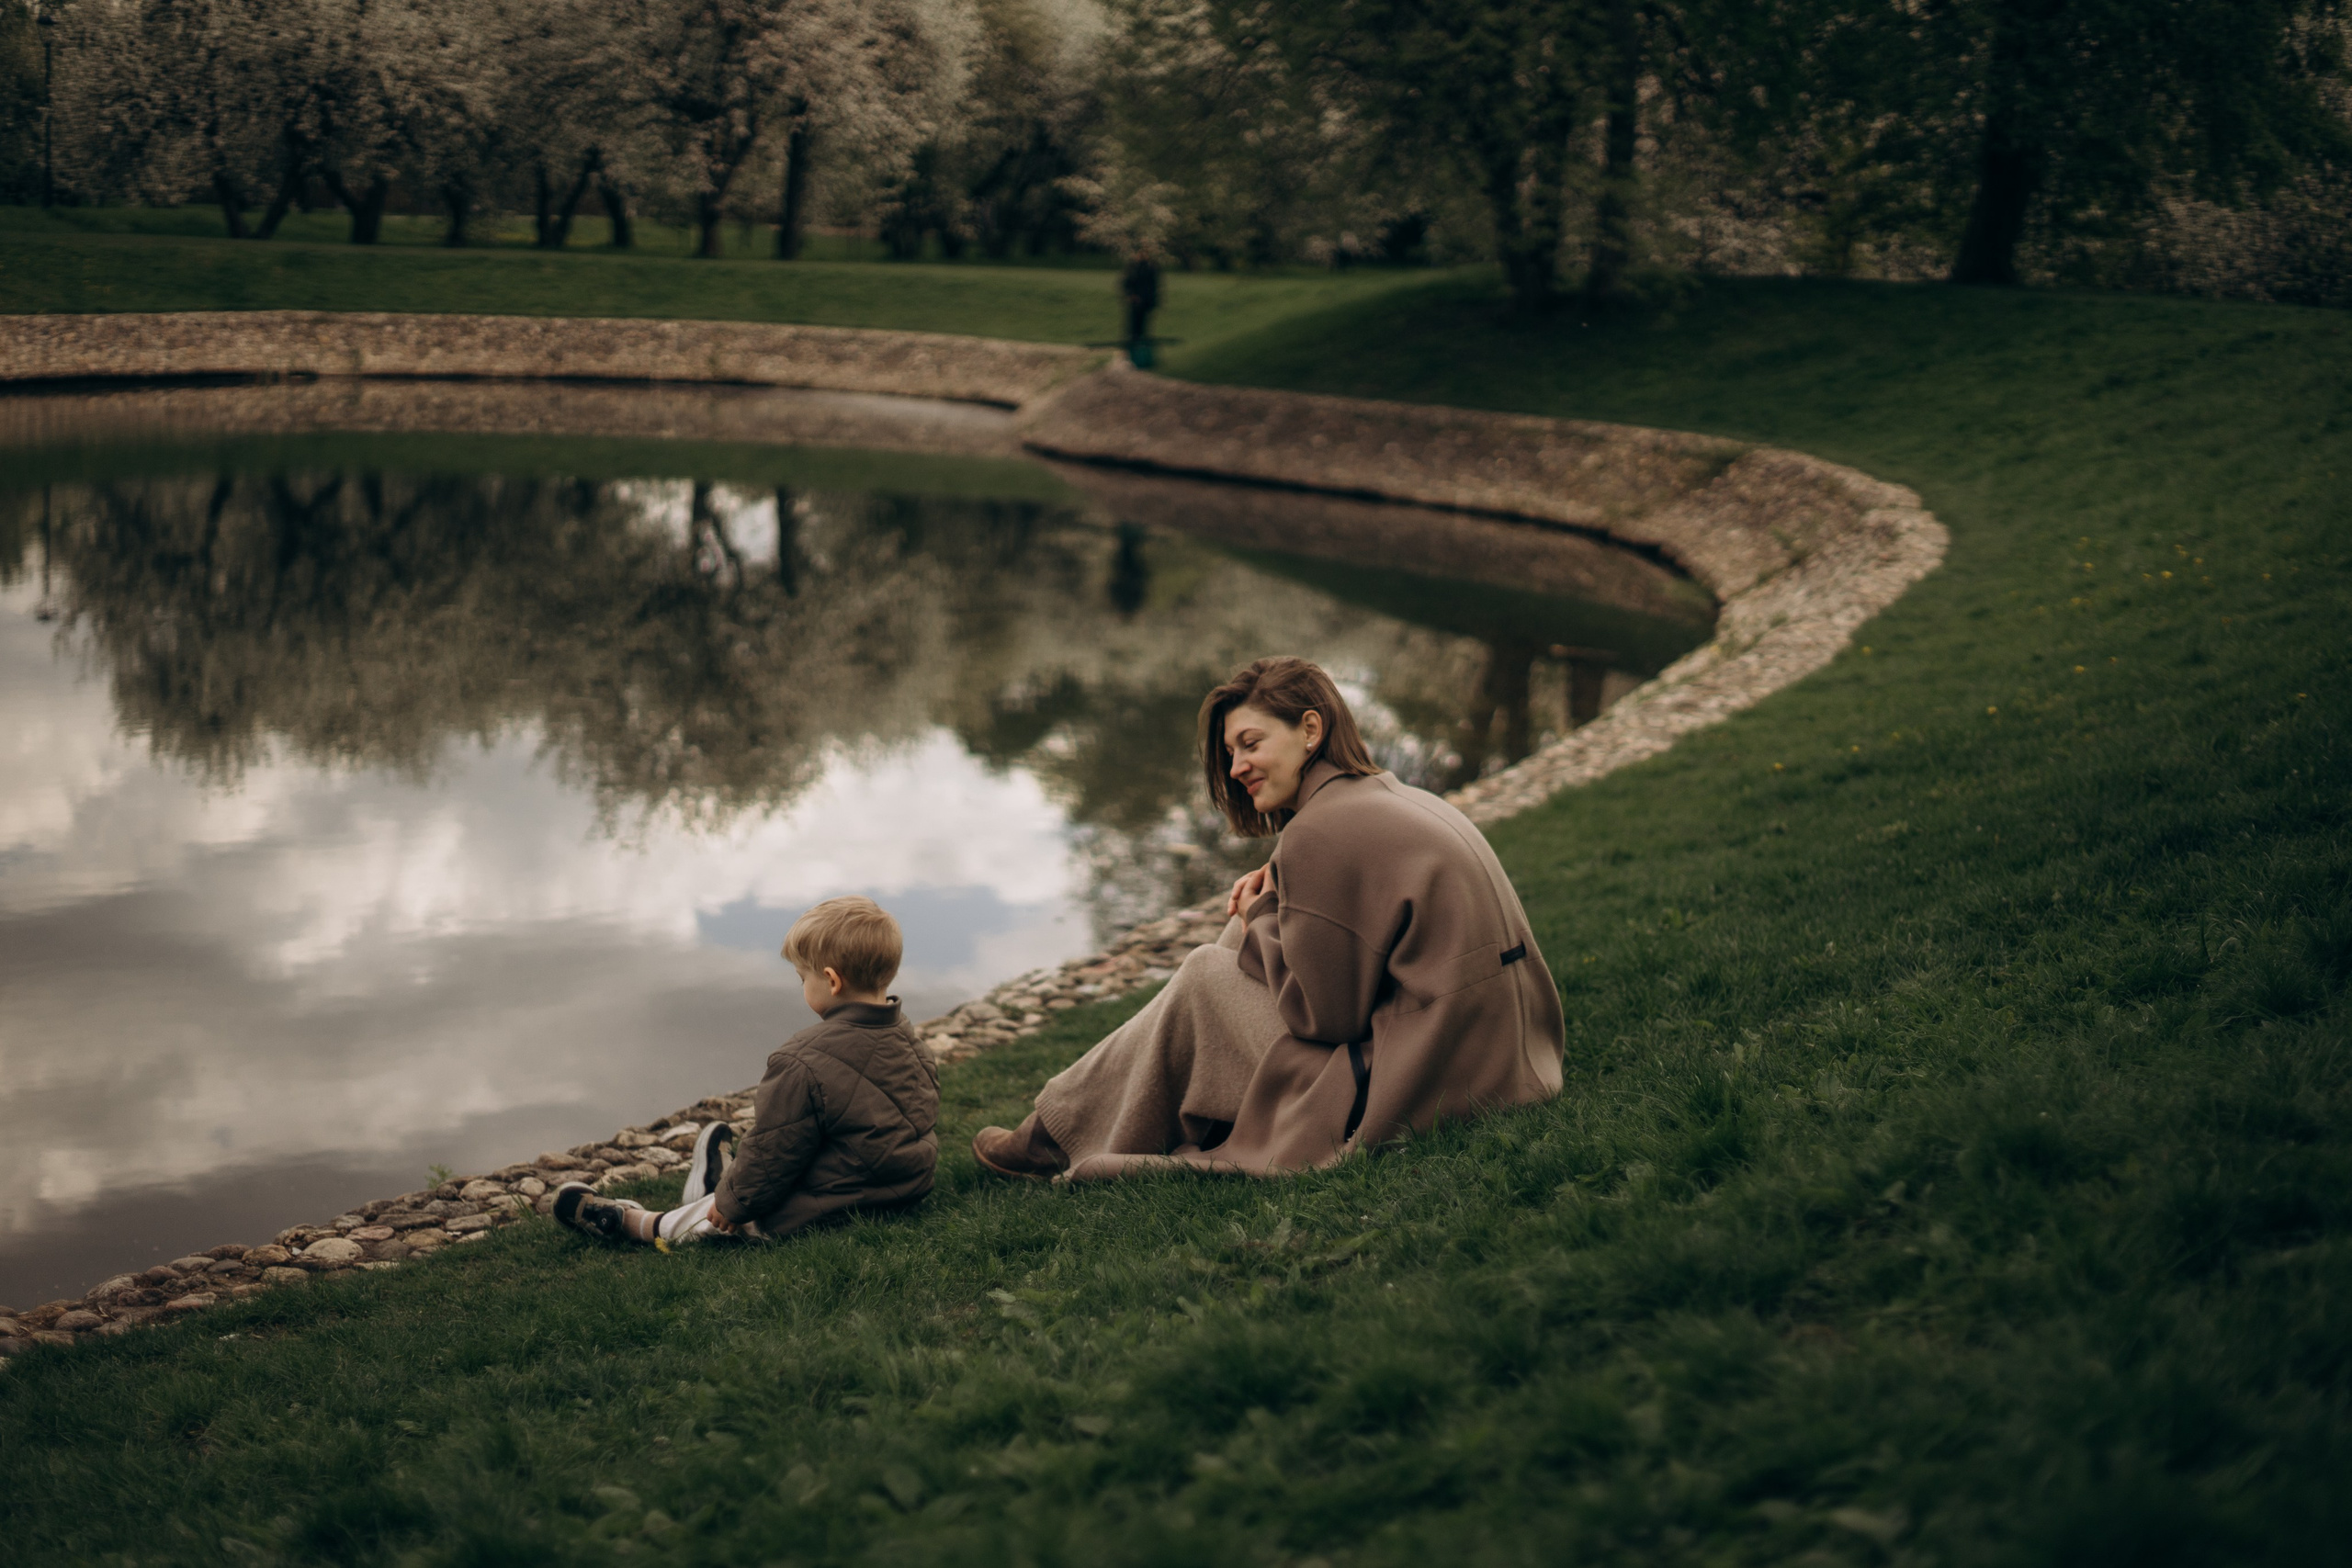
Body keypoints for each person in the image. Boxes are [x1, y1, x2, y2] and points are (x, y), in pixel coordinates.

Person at [972, 657, 1565, 1182]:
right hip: (1508, 1058)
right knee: (1232, 938)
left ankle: (1053, 1135)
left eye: (1250, 744)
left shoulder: (1320, 831)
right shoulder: (1391, 797)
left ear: (1311, 729)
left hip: (1423, 1082)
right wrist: (1273, 894)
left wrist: (1262, 912)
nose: (1236, 768)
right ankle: (1083, 1117)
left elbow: (1325, 1017)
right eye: (1231, 753)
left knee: (1205, 973)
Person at [555, 896, 939, 1247]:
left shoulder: (803, 1060)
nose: (802, 986)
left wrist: (734, 1205)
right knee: (757, 1180)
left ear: (833, 981)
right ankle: (716, 1184)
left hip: (824, 1212)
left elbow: (774, 1150)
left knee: (702, 1220)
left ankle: (628, 1222)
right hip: (903, 1193)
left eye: (803, 978)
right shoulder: (908, 1039)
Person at [1120, 248, 1160, 358]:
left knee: (1144, 320)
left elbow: (1154, 285)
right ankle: (1134, 340)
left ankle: (1141, 340)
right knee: (1134, 321)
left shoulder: (1151, 267)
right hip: (1136, 299)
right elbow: (1127, 283)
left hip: (1146, 299)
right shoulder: (1133, 268)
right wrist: (1131, 295)